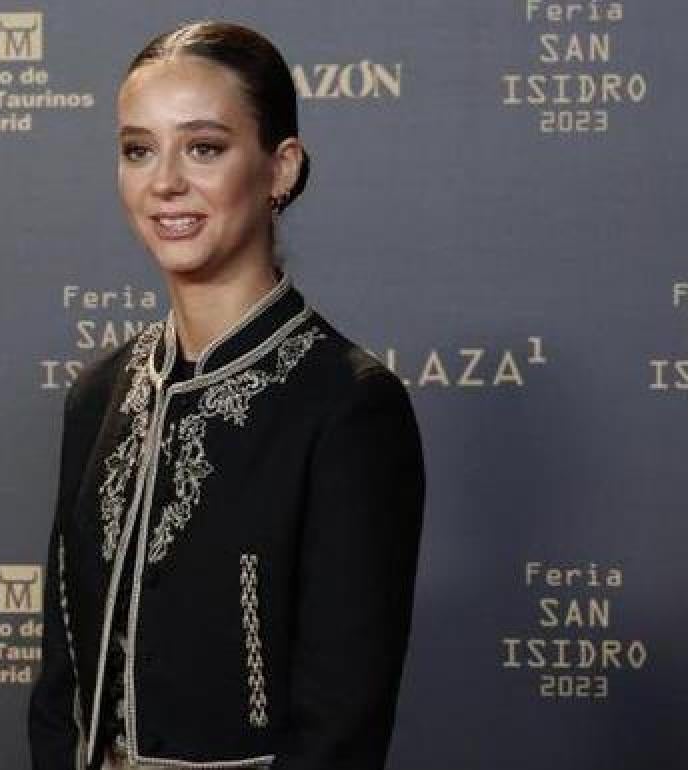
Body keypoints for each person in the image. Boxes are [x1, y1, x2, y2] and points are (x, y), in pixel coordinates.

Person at [29, 19, 425, 770]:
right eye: (138, 150)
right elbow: (62, 684)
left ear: (281, 168)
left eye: (204, 148)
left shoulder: (348, 406)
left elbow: (341, 729)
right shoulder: (98, 395)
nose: (165, 182)